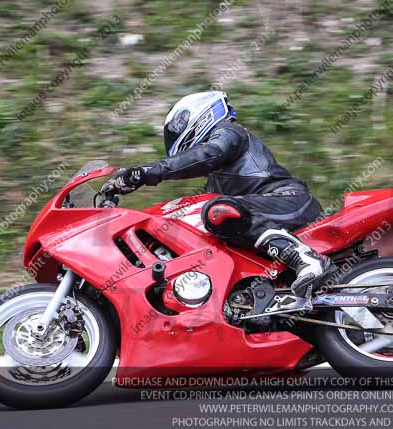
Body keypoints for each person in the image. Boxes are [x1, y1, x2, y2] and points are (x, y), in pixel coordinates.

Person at [101, 91, 333, 297]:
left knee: (217, 212)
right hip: (266, 209)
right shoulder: (215, 184)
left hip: (288, 199)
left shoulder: (231, 133)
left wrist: (147, 172)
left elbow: (210, 153)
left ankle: (304, 258)